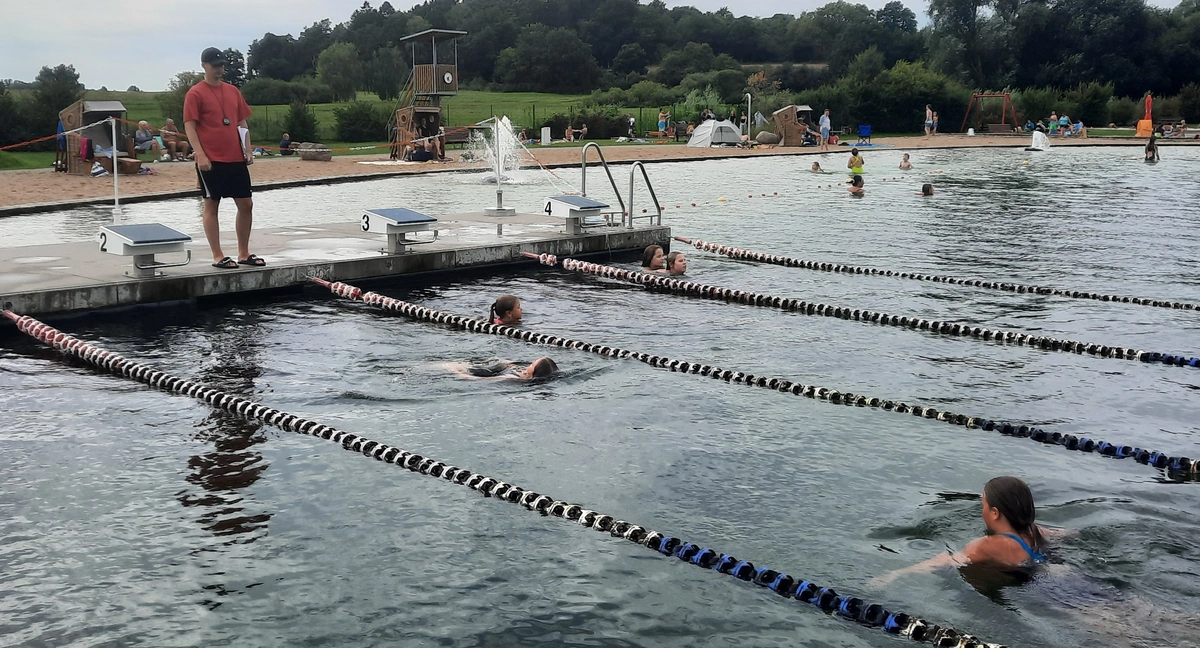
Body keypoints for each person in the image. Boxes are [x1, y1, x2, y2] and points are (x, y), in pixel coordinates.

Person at [872, 476, 1048, 588]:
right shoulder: (1034, 532)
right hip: (1055, 575)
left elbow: (945, 561)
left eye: (983, 506)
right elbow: (1066, 534)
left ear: (995, 512)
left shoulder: (984, 546)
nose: (982, 512)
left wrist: (895, 574)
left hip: (1041, 588)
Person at [184, 47, 263, 270]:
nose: (219, 69)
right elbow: (190, 126)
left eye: (221, 65)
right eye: (214, 65)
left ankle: (244, 252)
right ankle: (218, 255)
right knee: (212, 204)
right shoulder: (195, 93)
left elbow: (241, 122)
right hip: (211, 158)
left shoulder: (232, 91)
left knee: (246, 203)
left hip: (234, 156)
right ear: (204, 66)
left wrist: (248, 149)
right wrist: (200, 154)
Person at [447, 357, 559, 381]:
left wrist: (455, 371)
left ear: (533, 372)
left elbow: (481, 380)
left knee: (447, 364)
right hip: (489, 369)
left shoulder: (513, 378)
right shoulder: (523, 372)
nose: (531, 362)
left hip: (477, 373)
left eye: (533, 364)